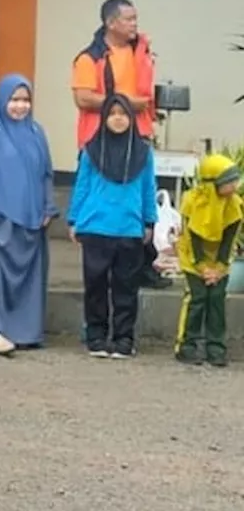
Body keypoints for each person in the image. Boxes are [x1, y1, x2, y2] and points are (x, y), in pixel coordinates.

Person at [71, 0, 168, 290]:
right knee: (100, 204)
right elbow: (83, 97)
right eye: (129, 19)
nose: (134, 25)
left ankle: (140, 266)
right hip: (98, 143)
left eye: (135, 19)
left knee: (137, 201)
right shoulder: (90, 57)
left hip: (135, 139)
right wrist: (123, 106)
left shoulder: (141, 51)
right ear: (110, 23)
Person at [0, 74, 57, 355]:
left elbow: (46, 173)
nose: (20, 106)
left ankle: (23, 330)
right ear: (2, 100)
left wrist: (48, 206)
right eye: (14, 99)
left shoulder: (36, 132)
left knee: (29, 276)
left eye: (25, 100)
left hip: (31, 217)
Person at [66, 95, 157, 359]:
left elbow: (148, 188)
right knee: (95, 286)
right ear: (104, 118)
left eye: (124, 114)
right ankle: (96, 336)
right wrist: (74, 219)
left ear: (132, 118)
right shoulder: (92, 151)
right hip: (95, 227)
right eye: (112, 113)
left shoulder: (142, 153)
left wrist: (149, 221)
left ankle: (123, 338)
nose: (118, 118)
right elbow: (82, 186)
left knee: (126, 288)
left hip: (129, 228)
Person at [173, 154, 242, 367]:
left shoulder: (235, 205)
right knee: (197, 298)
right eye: (229, 182)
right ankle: (186, 345)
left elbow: (230, 241)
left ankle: (216, 347)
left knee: (217, 300)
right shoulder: (192, 202)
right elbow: (190, 239)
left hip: (219, 262)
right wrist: (202, 268)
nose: (234, 186)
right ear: (213, 183)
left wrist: (220, 268)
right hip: (194, 259)